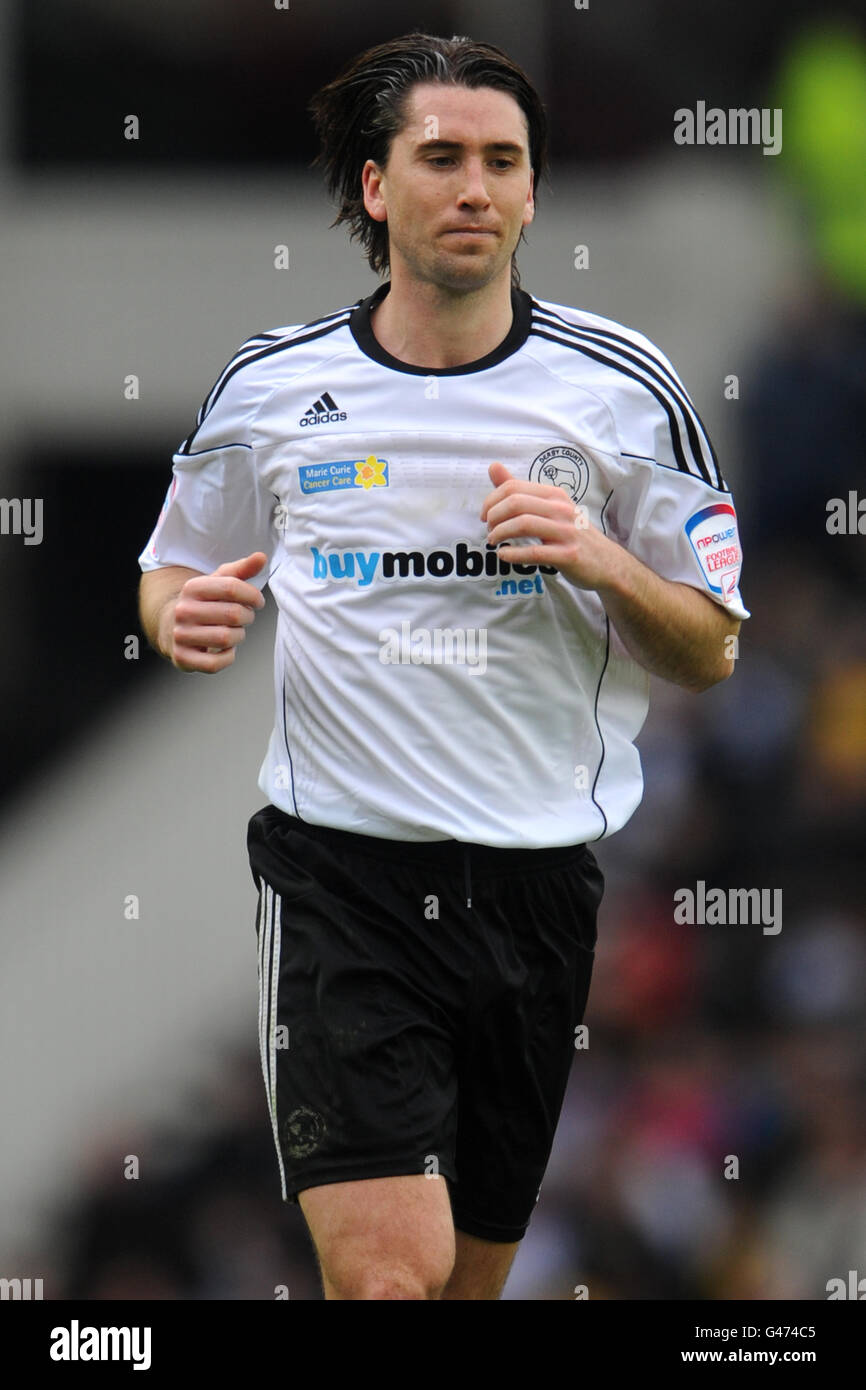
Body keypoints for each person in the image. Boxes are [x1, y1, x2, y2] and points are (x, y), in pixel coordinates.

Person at [137, 31, 748, 1301]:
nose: (473, 186)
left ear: (530, 196)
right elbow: (171, 566)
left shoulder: (622, 391)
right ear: (375, 188)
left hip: (534, 897)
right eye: (440, 157)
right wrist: (173, 616)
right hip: (340, 881)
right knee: (385, 1282)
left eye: (501, 161)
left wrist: (601, 561)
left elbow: (712, 648)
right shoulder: (270, 387)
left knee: (468, 1287)